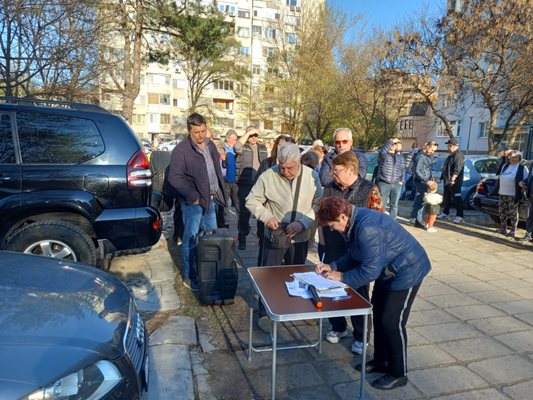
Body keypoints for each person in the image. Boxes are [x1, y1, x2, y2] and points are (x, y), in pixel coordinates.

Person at [315, 196, 431, 391]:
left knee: (392, 322)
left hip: (408, 271)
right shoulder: (354, 222)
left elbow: (369, 271)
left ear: (343, 216)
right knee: (377, 316)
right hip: (388, 270)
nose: (332, 229)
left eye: (333, 225)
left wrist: (341, 277)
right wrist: (332, 266)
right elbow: (355, 255)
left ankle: (398, 373)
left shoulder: (367, 228)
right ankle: (380, 361)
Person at [246, 143, 323, 333]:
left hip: (301, 235)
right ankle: (265, 313)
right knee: (269, 275)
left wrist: (303, 223)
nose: (284, 170)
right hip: (275, 235)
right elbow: (251, 200)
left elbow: (319, 203)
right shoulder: (269, 175)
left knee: (299, 274)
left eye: (289, 167)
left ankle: (299, 308)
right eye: (281, 166)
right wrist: (267, 217)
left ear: (299, 162)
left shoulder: (311, 176)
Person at [318, 151, 383, 355]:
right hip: (333, 247)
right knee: (330, 289)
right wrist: (322, 239)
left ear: (349, 170)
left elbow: (378, 221)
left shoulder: (369, 189)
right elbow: (321, 215)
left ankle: (361, 336)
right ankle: (338, 327)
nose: (332, 174)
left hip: (359, 251)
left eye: (336, 171)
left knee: (358, 293)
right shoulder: (329, 189)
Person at [168, 113, 227, 291]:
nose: (200, 135)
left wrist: (220, 193)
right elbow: (174, 178)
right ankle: (189, 275)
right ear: (189, 131)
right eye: (196, 132)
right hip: (193, 203)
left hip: (211, 201)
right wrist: (193, 196)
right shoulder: (181, 150)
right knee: (191, 239)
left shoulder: (210, 145)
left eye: (203, 131)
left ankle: (211, 273)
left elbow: (215, 169)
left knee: (211, 239)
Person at [254, 134, 296, 266]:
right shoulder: (267, 163)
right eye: (281, 145)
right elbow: (256, 189)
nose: (284, 149)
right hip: (269, 216)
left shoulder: (297, 167)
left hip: (290, 221)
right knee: (266, 250)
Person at [234, 126, 268, 250]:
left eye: (255, 135)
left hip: (260, 185)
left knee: (261, 213)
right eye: (251, 135)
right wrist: (248, 133)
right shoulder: (243, 147)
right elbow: (236, 147)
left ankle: (261, 238)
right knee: (244, 213)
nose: (253, 138)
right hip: (245, 184)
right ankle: (242, 238)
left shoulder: (262, 148)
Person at [496, 150, 529, 238]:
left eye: (516, 157)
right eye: (512, 157)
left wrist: (522, 185)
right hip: (502, 192)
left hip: (513, 194)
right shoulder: (505, 166)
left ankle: (513, 230)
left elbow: (526, 180)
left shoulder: (522, 168)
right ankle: (503, 228)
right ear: (509, 158)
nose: (513, 159)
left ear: (519, 158)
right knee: (502, 211)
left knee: (512, 212)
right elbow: (500, 176)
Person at [409, 141, 438, 227]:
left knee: (422, 201)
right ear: (427, 146)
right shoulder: (420, 156)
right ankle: (415, 220)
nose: (433, 152)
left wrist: (431, 179)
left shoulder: (427, 156)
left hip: (425, 181)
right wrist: (427, 180)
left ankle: (417, 219)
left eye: (434, 151)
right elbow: (417, 171)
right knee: (419, 201)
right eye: (432, 150)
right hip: (421, 181)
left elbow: (428, 169)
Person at [376, 138, 405, 219]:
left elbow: (403, 169)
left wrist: (402, 181)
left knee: (394, 205)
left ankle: (392, 222)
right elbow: (382, 151)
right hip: (384, 182)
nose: (393, 145)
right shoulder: (384, 155)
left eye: (395, 144)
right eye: (392, 144)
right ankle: (380, 221)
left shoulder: (400, 157)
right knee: (382, 204)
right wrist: (391, 141)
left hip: (396, 183)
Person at [438, 138, 465, 223]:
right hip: (447, 180)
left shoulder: (458, 155)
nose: (448, 147)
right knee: (447, 198)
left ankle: (459, 216)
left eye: (449, 146)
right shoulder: (451, 155)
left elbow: (458, 168)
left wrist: (453, 180)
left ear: (453, 146)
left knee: (456, 198)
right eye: (448, 146)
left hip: (454, 182)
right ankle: (445, 213)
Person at [219, 129, 239, 225]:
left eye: (236, 139)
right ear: (227, 139)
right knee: (223, 203)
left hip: (236, 180)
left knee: (238, 203)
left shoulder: (237, 149)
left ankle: (242, 223)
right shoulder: (220, 148)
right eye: (234, 139)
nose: (235, 141)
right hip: (224, 180)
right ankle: (223, 222)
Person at [519, 164, 533, 243]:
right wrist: (523, 182)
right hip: (531, 196)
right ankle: (529, 235)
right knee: (529, 216)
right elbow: (529, 178)